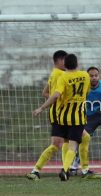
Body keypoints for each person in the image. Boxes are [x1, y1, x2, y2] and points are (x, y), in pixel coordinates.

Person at [33, 54, 90, 181]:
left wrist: (41, 108)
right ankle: (65, 170)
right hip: (77, 117)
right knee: (71, 145)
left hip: (62, 117)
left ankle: (80, 169)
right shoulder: (84, 75)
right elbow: (86, 92)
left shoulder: (60, 75)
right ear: (77, 63)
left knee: (71, 141)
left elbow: (52, 95)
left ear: (65, 64)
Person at [26, 50, 69, 180]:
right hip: (58, 114)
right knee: (57, 143)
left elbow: (45, 92)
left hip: (64, 113)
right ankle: (36, 170)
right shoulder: (61, 74)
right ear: (60, 60)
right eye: (65, 60)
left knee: (70, 141)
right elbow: (55, 95)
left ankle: (66, 170)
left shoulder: (54, 73)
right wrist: (45, 106)